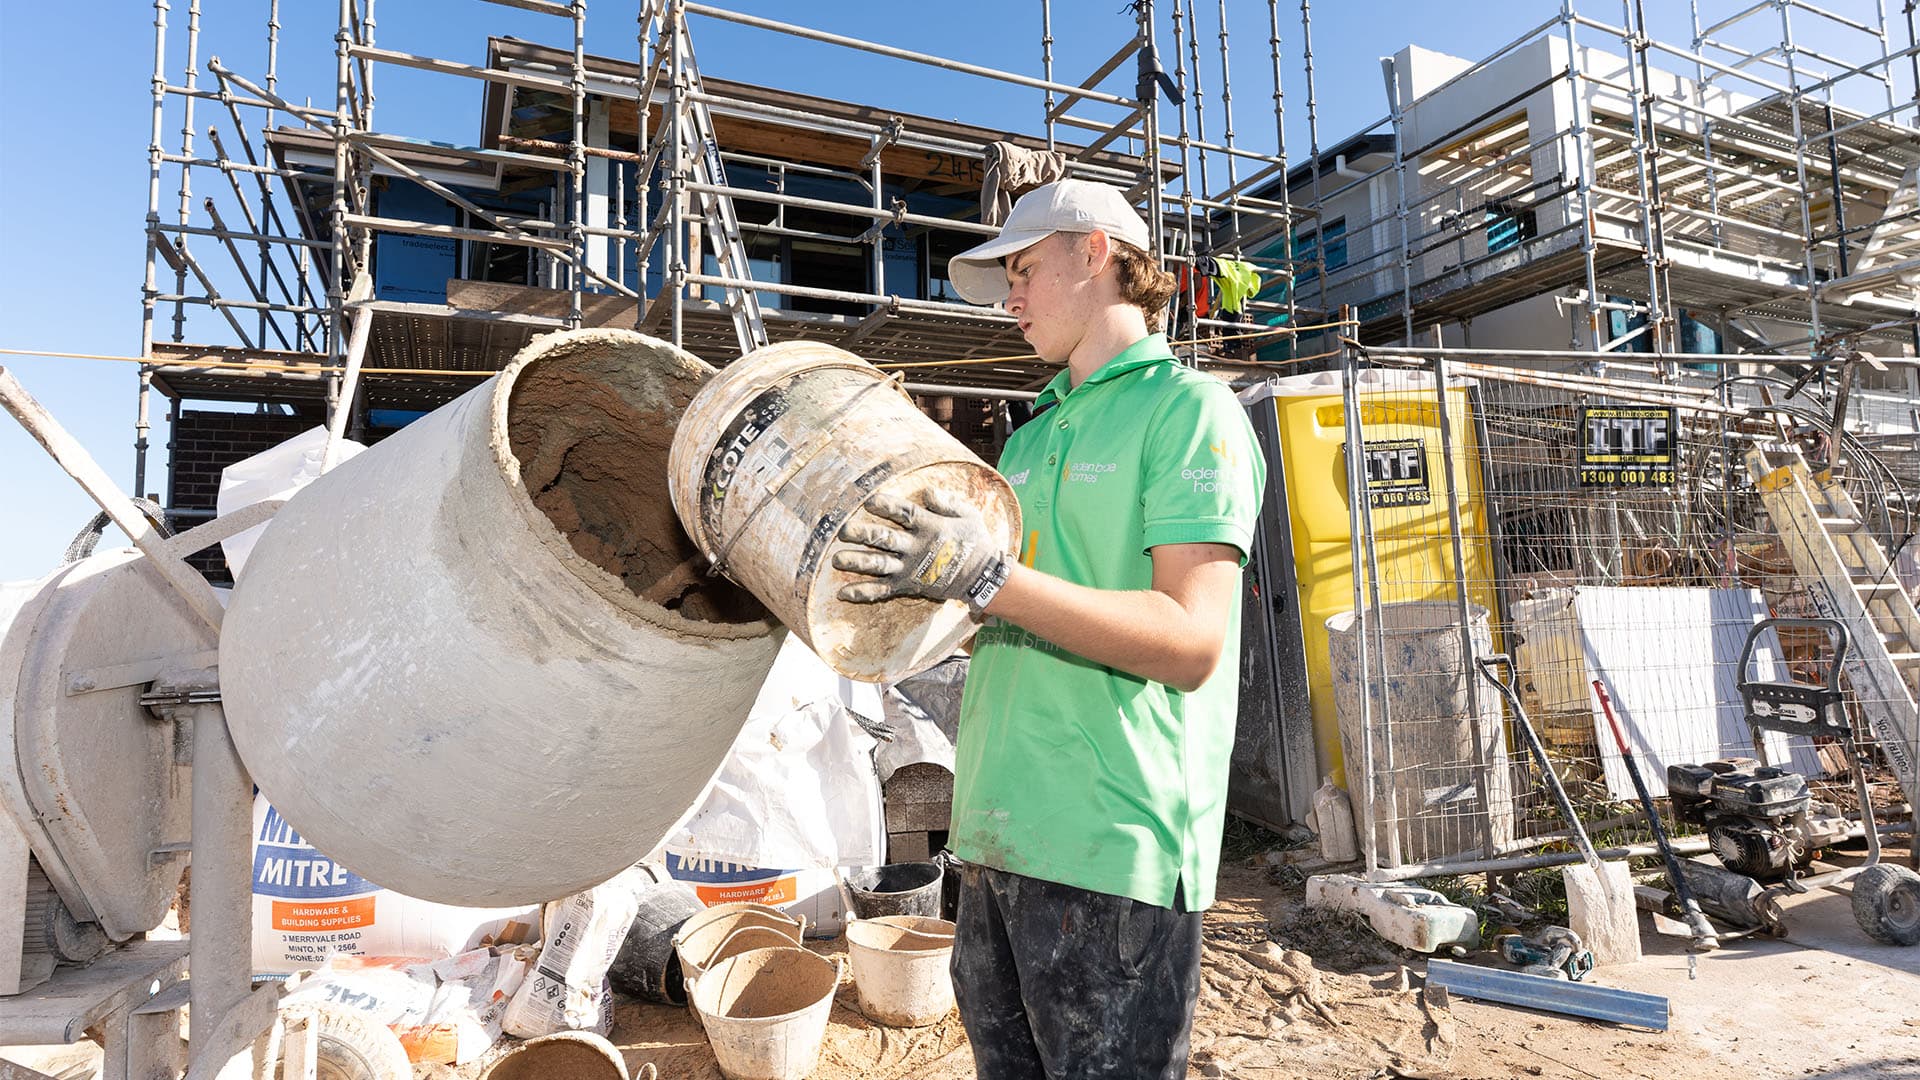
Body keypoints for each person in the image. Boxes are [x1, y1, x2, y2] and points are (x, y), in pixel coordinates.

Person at [831, 179, 1266, 1079]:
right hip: (992, 841)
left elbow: (1191, 640)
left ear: (1096, 250)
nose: (1013, 301)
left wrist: (991, 576)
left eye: (1024, 269)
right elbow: (1006, 611)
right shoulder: (1028, 440)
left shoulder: (1189, 412)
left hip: (1114, 848)